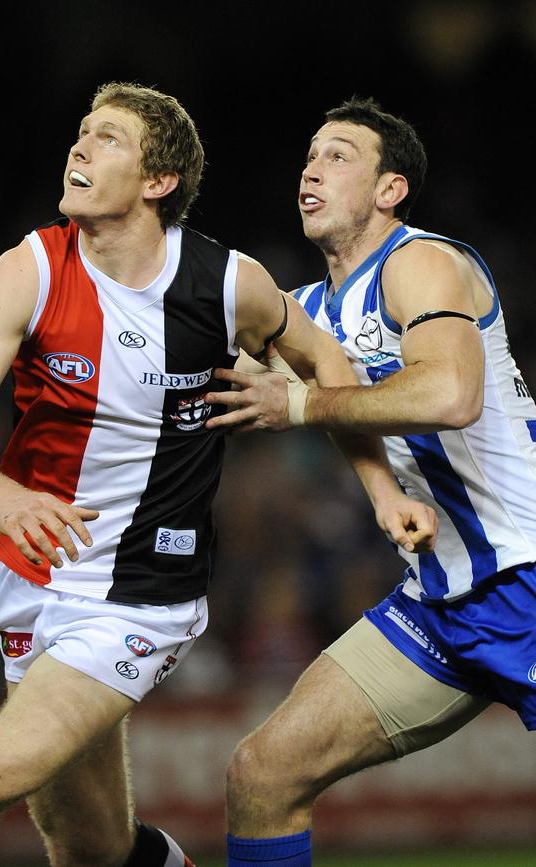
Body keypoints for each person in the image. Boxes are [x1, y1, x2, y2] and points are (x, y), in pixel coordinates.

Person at [0, 85, 436, 867]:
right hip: (34, 579)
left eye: (106, 138)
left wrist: (380, 489)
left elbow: (322, 360)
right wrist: (2, 496)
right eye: (81, 132)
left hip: (142, 591)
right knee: (92, 848)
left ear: (159, 181)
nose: (79, 147)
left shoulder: (224, 283)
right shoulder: (29, 270)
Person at [205, 95, 536, 867]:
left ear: (391, 189)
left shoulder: (421, 262)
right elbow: (221, 377)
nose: (311, 167)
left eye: (338, 155)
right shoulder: (310, 313)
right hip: (441, 604)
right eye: (309, 154)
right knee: (263, 773)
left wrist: (303, 401)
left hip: (526, 573)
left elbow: (452, 395)